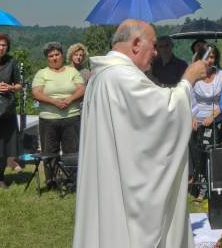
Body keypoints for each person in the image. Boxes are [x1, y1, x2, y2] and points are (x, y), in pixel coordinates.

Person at [73, 19, 207, 248]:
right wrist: (189, 78)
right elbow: (165, 112)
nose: (155, 53)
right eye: (153, 45)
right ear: (136, 43)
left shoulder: (102, 75)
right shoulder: (121, 76)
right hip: (127, 192)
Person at [31, 42, 85, 187]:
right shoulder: (42, 73)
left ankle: (72, 180)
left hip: (71, 117)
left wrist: (69, 99)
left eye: (57, 54)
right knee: (49, 151)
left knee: (71, 150)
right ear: (47, 58)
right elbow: (36, 92)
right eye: (51, 56)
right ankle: (51, 181)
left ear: (62, 55)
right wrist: (53, 102)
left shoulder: (72, 72)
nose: (54, 58)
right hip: (48, 119)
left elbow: (81, 89)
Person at [189, 45, 222, 203]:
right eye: (206, 56)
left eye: (212, 57)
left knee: (213, 156)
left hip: (215, 120)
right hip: (196, 122)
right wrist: (192, 116)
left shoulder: (221, 75)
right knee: (198, 157)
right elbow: (188, 95)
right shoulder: (194, 74)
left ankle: (215, 190)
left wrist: (212, 116)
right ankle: (201, 190)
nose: (209, 60)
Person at [0, 33, 21, 189]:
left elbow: (18, 84)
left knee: (3, 145)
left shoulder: (11, 62)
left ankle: (1, 177)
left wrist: (10, 87)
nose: (0, 47)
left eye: (4, 45)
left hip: (5, 110)